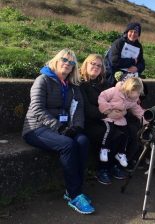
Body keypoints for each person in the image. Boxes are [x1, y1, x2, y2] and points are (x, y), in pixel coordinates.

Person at [22, 49, 95, 214]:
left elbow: (78, 109)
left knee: (83, 141)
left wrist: (76, 127)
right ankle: (75, 195)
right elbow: (37, 109)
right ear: (56, 60)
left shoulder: (73, 86)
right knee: (68, 145)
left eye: (71, 63)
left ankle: (75, 190)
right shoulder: (43, 80)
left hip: (61, 128)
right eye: (64, 60)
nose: (67, 64)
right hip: (36, 128)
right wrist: (60, 128)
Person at [80, 54, 128, 185]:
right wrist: (108, 114)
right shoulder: (80, 83)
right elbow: (86, 108)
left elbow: (117, 99)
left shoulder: (104, 83)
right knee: (108, 133)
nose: (95, 67)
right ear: (86, 64)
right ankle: (102, 169)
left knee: (123, 132)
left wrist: (122, 110)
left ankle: (112, 165)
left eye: (99, 65)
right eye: (92, 64)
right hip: (89, 121)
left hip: (106, 119)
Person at [98, 77, 145, 169]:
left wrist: (147, 119)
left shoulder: (132, 100)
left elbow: (138, 111)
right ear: (131, 89)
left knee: (126, 134)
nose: (138, 95)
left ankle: (121, 153)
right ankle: (104, 148)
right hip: (109, 116)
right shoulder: (115, 91)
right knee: (109, 130)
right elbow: (102, 96)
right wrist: (106, 109)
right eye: (137, 92)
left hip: (120, 119)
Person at [104, 22, 145, 86]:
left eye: (136, 32)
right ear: (127, 32)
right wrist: (132, 61)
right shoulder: (119, 43)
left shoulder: (139, 46)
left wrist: (137, 68)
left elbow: (142, 63)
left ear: (138, 34)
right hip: (113, 74)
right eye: (131, 31)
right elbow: (114, 61)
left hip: (130, 76)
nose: (133, 34)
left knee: (143, 90)